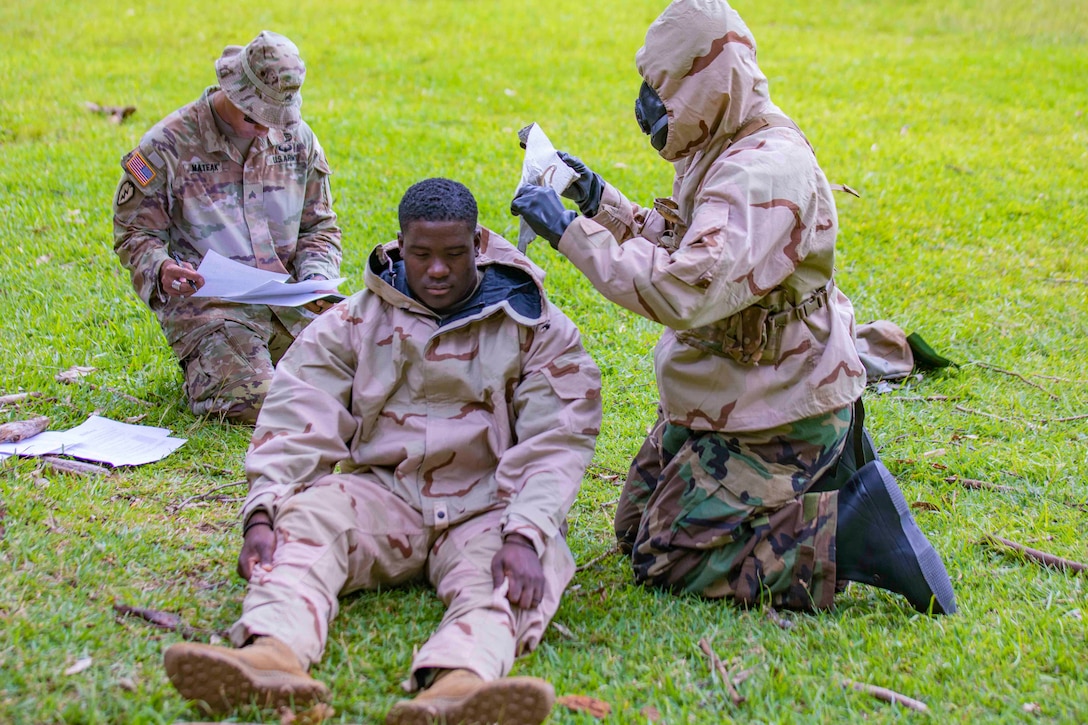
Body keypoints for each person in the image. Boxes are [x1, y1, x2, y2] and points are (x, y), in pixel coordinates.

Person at [511, 0, 956, 615]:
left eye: (661, 91)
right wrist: (597, 201)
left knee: (666, 555)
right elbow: (689, 247)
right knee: (635, 526)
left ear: (709, 81)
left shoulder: (761, 172)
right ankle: (823, 480)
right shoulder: (720, 137)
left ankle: (848, 534)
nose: (647, 108)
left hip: (782, 401)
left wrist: (569, 233)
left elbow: (685, 290)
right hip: (736, 385)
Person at [163, 178, 603, 724]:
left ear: (478, 246)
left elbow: (555, 441)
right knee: (304, 523)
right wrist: (263, 511)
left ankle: (459, 685)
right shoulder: (353, 323)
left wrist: (525, 533)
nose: (436, 269)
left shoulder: (534, 325)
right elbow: (299, 416)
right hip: (383, 496)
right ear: (400, 245)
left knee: (522, 574)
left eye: (453, 255)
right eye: (421, 255)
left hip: (490, 508)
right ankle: (270, 655)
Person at [112, 30, 342, 423]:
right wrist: (162, 270)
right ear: (231, 90)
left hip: (289, 304)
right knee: (261, 402)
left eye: (276, 119)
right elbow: (135, 233)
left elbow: (318, 226)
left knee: (367, 378)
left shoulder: (297, 140)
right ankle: (213, 372)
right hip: (212, 308)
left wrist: (318, 280)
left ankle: (267, 363)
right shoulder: (167, 145)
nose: (265, 129)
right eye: (254, 117)